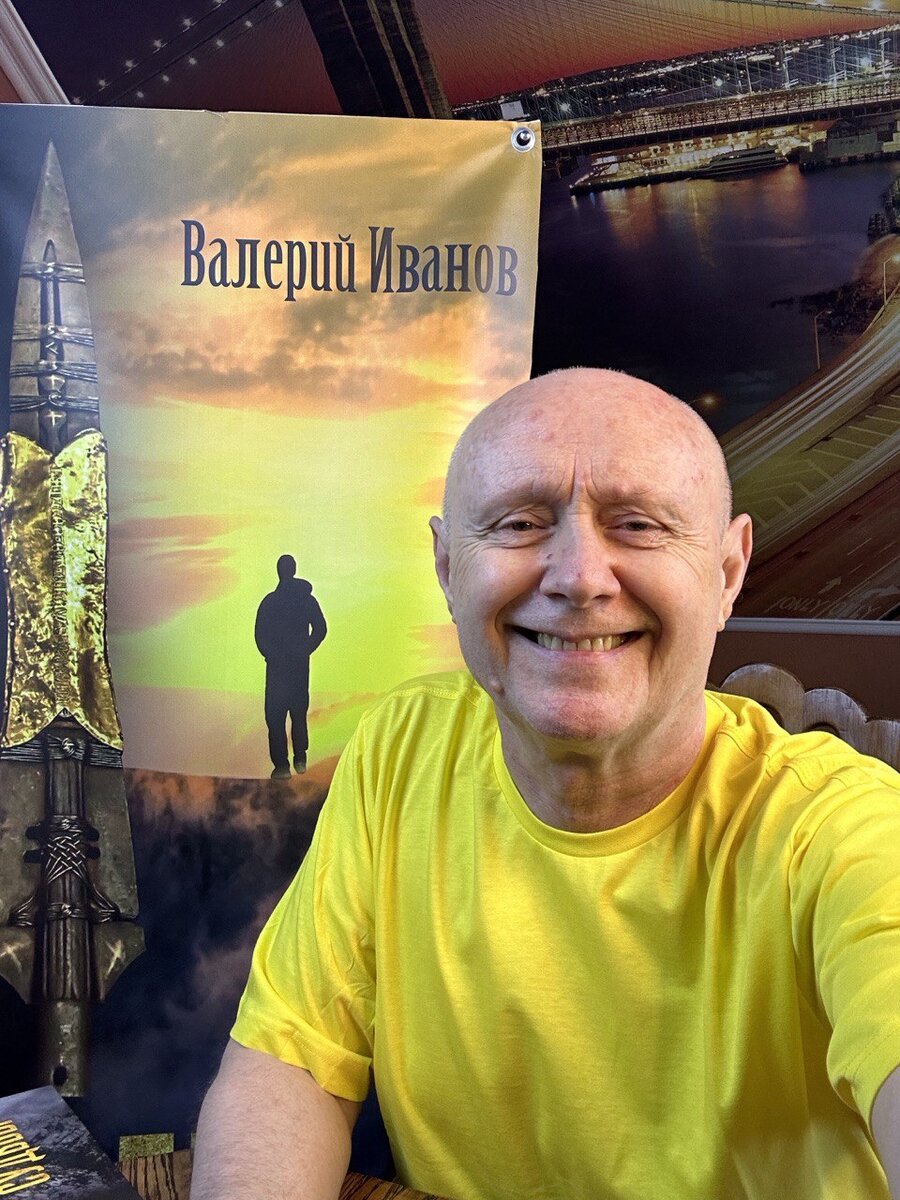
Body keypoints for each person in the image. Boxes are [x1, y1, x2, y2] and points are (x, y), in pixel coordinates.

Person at [193, 369, 900, 1200]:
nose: (579, 578)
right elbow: (292, 1063)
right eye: (520, 523)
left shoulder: (842, 828)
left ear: (727, 571)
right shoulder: (403, 748)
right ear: (448, 566)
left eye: (638, 525)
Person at [254, 554, 327, 778]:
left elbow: (320, 629)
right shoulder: (282, 601)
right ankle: (290, 763)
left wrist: (303, 650)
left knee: (287, 715)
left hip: (288, 668)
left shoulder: (276, 601)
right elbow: (260, 635)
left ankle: (292, 762)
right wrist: (298, 651)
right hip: (286, 668)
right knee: (285, 715)